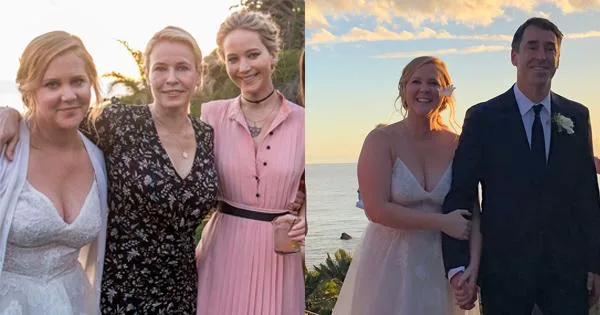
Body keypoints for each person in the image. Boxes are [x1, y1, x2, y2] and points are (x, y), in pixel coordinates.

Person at [0, 26, 219, 314]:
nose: (171, 79)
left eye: (182, 68)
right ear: (147, 74)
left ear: (198, 74)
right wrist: (9, 112)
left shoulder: (207, 135)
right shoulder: (117, 123)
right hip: (118, 294)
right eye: (52, 84)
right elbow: (48, 123)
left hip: (177, 289)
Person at [442, 17, 600, 314]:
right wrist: (459, 266)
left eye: (550, 49)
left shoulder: (577, 116)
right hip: (503, 273)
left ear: (558, 59)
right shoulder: (483, 118)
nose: (541, 56)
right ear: (514, 56)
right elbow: (461, 195)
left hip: (567, 274)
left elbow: (587, 196)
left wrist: (596, 264)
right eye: (532, 47)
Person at [332, 56, 481, 315]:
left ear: (445, 92)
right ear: (403, 89)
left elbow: (474, 214)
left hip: (443, 267)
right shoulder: (381, 140)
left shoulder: (458, 144)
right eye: (416, 82)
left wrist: (472, 271)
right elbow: (376, 210)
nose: (425, 89)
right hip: (388, 266)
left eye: (433, 83)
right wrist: (441, 222)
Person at [195, 10, 306, 315]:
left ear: (273, 56)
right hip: (222, 252)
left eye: (253, 55)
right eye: (233, 59)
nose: (243, 67)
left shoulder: (305, 122)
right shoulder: (210, 116)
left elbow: (313, 186)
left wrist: (306, 215)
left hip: (280, 257)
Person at [0, 31, 108, 314]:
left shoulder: (100, 155)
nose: (69, 95)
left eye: (77, 82)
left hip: (73, 302)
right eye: (52, 84)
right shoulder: (5, 149)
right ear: (28, 90)